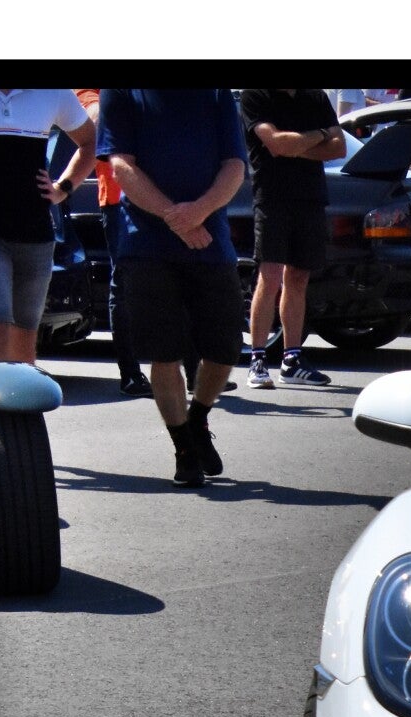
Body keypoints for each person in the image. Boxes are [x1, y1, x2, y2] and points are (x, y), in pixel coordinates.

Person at [97, 88, 248, 488]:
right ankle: (183, 448)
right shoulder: (122, 92)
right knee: (165, 354)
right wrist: (175, 217)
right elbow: (122, 166)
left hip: (210, 240)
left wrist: (198, 211)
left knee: (225, 347)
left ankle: (197, 419)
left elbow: (234, 165)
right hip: (146, 244)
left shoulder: (215, 92)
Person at [239, 89, 344, 389]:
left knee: (298, 278)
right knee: (270, 276)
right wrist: (319, 135)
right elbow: (277, 144)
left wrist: (297, 146)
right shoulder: (255, 96)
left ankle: (292, 360)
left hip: (310, 198)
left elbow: (338, 147)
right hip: (272, 198)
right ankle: (258, 359)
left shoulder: (315, 97)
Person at [0, 89, 96, 365]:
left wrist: (63, 187)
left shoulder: (52, 92)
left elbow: (92, 142)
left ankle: (20, 393)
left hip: (36, 234)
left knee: (25, 338)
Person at [73, 89, 149, 395]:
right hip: (119, 199)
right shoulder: (91, 91)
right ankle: (130, 374)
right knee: (125, 285)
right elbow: (96, 119)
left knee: (176, 276)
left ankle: (195, 371)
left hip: (163, 192)